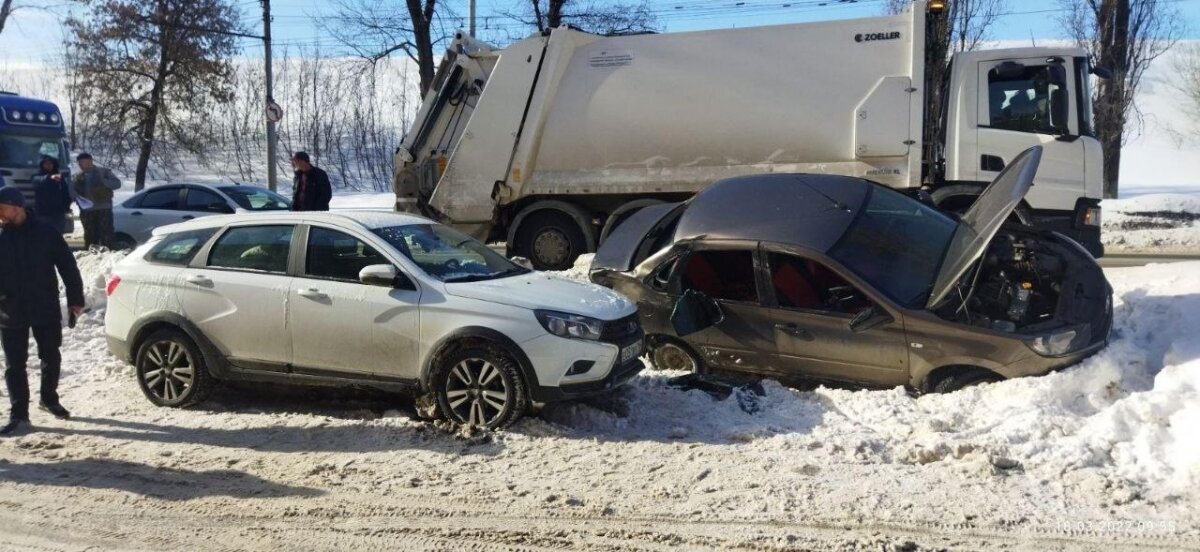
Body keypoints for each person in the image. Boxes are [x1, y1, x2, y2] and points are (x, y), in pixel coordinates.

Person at [0, 186, 84, 436]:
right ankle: (19, 415)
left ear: (15, 206)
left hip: (44, 305)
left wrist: (75, 299)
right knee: (15, 364)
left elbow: (68, 266)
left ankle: (48, 399)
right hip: (9, 309)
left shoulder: (46, 232)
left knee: (51, 356)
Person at [71, 152, 121, 249]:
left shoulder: (103, 172)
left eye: (82, 162)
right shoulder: (77, 176)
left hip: (103, 209)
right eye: (79, 163)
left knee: (106, 235)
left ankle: (107, 255)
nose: (80, 165)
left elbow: (117, 184)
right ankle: (91, 257)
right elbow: (72, 191)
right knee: (90, 236)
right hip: (87, 211)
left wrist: (104, 182)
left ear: (90, 161)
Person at [31, 157, 73, 233]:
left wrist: (67, 206)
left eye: (50, 163)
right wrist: (49, 177)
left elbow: (65, 192)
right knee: (44, 235)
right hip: (44, 213)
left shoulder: (59, 177)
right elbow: (37, 181)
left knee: (57, 235)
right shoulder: (37, 176)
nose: (48, 165)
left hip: (58, 213)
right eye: (46, 164)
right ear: (42, 165)